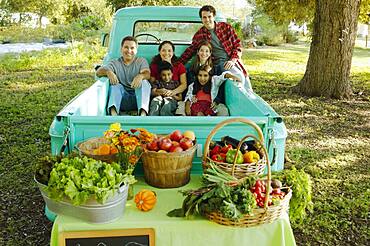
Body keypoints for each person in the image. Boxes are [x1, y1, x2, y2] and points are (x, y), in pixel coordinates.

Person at [178, 5, 252, 91]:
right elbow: (190, 51)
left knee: (246, 80)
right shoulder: (199, 34)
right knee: (239, 77)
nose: (207, 20)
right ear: (201, 19)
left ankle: (249, 99)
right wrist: (177, 64)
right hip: (218, 63)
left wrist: (233, 60)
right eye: (204, 17)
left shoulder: (226, 27)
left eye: (209, 16)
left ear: (214, 16)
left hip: (233, 59)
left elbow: (237, 45)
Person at [96, 36, 151, 116]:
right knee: (115, 86)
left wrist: (140, 76)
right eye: (126, 47)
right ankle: (114, 115)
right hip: (122, 99)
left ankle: (143, 115)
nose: (129, 51)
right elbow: (98, 72)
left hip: (138, 99)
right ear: (121, 49)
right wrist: (108, 72)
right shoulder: (115, 62)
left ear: (136, 50)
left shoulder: (141, 61)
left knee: (144, 82)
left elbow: (147, 74)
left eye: (132, 48)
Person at [150, 40, 188, 115]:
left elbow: (184, 84)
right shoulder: (154, 66)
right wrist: (161, 91)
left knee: (167, 104)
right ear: (159, 52)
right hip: (159, 95)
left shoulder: (179, 66)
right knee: (156, 102)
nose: (166, 53)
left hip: (172, 97)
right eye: (163, 50)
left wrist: (172, 92)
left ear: (173, 53)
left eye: (169, 51)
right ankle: (152, 123)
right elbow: (151, 85)